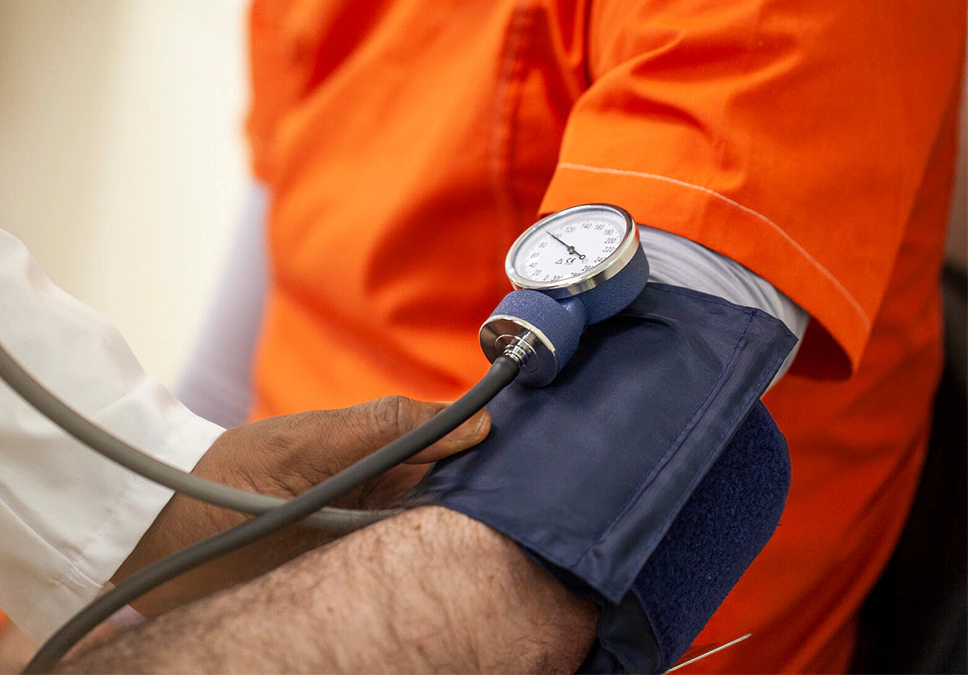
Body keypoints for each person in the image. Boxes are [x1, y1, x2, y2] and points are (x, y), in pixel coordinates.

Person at [0, 2, 609, 672]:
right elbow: (227, 362)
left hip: (463, 573)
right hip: (292, 553)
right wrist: (160, 517)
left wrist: (164, 515)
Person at [176, 0, 966, 671]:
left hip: (511, 614)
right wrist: (132, 591)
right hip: (283, 593)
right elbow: (250, 339)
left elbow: (541, 553)